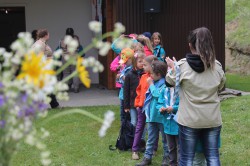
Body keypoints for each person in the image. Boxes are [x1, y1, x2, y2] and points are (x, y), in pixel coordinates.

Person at [165, 27, 226, 165]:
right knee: (213, 157)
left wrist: (173, 68)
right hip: (212, 119)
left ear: (190, 45)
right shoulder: (217, 66)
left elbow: (169, 83)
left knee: (186, 158)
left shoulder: (181, 67)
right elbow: (221, 86)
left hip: (189, 120)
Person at [136, 61, 169, 166]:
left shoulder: (164, 84)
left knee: (165, 140)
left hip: (161, 117)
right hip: (152, 116)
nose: (150, 76)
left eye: (152, 74)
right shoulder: (154, 82)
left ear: (159, 75)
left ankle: (166, 158)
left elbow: (157, 95)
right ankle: (147, 158)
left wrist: (150, 85)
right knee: (150, 139)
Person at [132, 55, 158, 160]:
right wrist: (138, 104)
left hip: (152, 108)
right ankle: (135, 150)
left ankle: (153, 149)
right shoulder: (143, 77)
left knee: (154, 128)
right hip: (142, 108)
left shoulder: (157, 78)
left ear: (152, 65)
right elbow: (138, 91)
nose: (143, 66)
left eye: (145, 64)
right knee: (139, 128)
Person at [32, 29, 60, 109]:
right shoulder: (40, 44)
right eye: (48, 34)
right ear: (45, 35)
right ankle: (53, 105)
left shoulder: (40, 43)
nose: (49, 36)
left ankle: (54, 105)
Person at [159, 86, 180, 166]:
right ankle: (172, 163)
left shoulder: (180, 90)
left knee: (180, 148)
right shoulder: (164, 90)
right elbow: (159, 102)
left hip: (178, 123)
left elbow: (185, 104)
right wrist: (161, 108)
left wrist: (173, 108)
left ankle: (180, 163)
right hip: (167, 123)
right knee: (171, 147)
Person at [124, 52, 145, 127]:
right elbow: (126, 91)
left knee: (142, 122)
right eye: (140, 61)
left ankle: (141, 138)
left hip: (142, 102)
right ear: (134, 62)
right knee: (134, 121)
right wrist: (126, 106)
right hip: (133, 103)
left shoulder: (145, 74)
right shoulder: (129, 75)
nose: (142, 63)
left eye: (143, 61)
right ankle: (133, 137)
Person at [117, 48, 135, 122]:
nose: (124, 63)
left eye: (126, 61)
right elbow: (121, 81)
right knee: (122, 111)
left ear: (131, 59)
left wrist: (121, 76)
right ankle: (124, 126)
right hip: (122, 93)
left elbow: (127, 80)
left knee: (127, 112)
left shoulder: (132, 69)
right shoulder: (125, 67)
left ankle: (127, 126)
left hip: (127, 94)